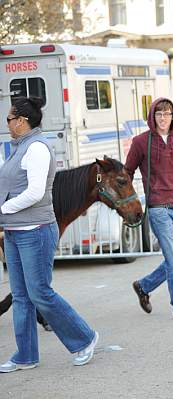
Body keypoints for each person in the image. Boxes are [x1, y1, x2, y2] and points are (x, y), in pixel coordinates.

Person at [0, 97, 99, 373]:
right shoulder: (17, 148)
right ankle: (26, 355)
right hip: (15, 232)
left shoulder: (37, 149)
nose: (6, 123)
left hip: (36, 231)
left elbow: (34, 193)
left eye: (9, 118)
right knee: (21, 297)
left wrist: (3, 209)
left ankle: (85, 338)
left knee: (41, 293)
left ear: (21, 121)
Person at [125, 97, 173, 321]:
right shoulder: (141, 142)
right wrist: (129, 200)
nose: (163, 118)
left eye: (167, 114)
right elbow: (127, 172)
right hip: (158, 209)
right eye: (159, 114)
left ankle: (144, 285)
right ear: (152, 116)